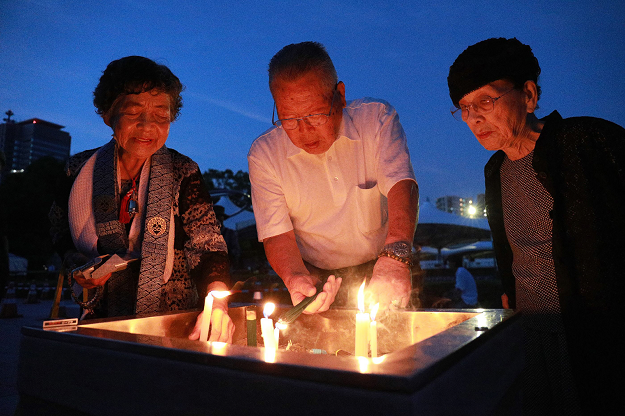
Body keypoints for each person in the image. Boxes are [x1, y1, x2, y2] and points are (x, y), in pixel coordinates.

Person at [448, 37, 625, 414]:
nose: (473, 118)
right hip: (530, 335)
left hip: (594, 336)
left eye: (485, 101)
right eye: (463, 108)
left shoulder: (586, 141)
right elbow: (509, 250)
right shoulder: (495, 170)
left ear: (528, 95)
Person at [49, 56, 234, 342]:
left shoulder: (183, 171)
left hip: (175, 323)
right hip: (102, 321)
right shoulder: (78, 170)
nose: (148, 126)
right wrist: (79, 265)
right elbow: (58, 231)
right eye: (134, 113)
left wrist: (218, 301)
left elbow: (208, 247)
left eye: (161, 115)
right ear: (108, 115)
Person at [248, 42, 418, 314]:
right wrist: (295, 277)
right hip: (316, 277)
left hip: (386, 261)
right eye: (288, 119)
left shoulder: (376, 120)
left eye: (315, 115)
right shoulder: (265, 154)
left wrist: (396, 258)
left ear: (339, 95)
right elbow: (275, 233)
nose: (303, 131)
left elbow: (402, 185)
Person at [214, 204, 240, 269]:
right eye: (216, 217)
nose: (218, 219)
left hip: (227, 266)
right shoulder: (207, 235)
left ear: (223, 218)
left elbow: (237, 251)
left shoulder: (231, 233)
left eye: (220, 216)